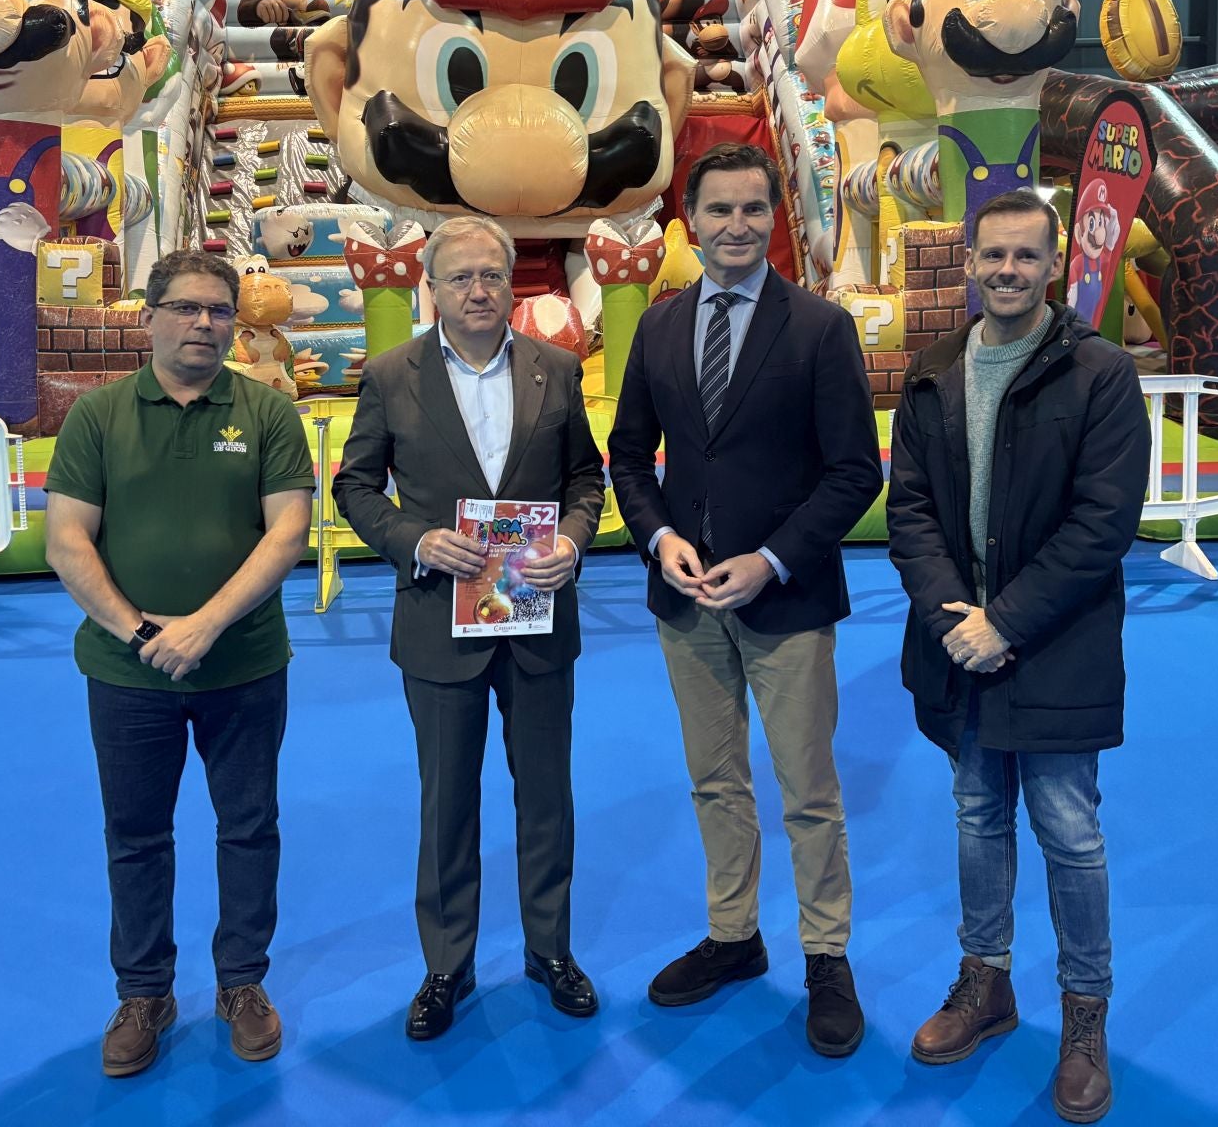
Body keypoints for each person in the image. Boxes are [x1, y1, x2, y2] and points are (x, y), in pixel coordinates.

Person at [608, 141, 883, 1057]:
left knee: (809, 788)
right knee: (714, 779)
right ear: (690, 220)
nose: (736, 226)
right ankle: (735, 935)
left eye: (753, 210)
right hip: (685, 599)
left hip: (783, 599)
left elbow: (854, 474)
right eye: (718, 210)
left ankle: (826, 956)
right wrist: (660, 538)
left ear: (774, 217)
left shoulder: (819, 328)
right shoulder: (657, 327)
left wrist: (772, 559)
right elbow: (626, 459)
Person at [885, 188, 1150, 1124]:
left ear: (1052, 265)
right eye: (990, 256)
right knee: (976, 814)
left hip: (1057, 643)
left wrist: (1008, 622)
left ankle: (1085, 1014)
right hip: (958, 640)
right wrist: (951, 613)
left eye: (1023, 258)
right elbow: (908, 509)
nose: (1005, 272)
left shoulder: (1100, 373)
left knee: (1068, 830)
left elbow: (1103, 524)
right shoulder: (932, 372)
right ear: (968, 261)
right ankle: (985, 981)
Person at [333, 216, 606, 1041]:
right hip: (437, 626)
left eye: (492, 274)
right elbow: (354, 487)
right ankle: (446, 965)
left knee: (547, 797)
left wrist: (571, 539)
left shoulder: (557, 370)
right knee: (446, 801)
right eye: (461, 278)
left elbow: (585, 481)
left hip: (537, 619)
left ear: (510, 279)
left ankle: (549, 950)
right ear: (433, 286)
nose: (480, 290)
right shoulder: (389, 376)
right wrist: (412, 541)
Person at [44, 249, 314, 1077]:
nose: (205, 323)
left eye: (219, 311)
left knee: (249, 828)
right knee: (135, 836)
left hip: (246, 666)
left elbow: (287, 534)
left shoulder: (268, 413)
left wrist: (202, 625)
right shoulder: (98, 417)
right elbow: (66, 541)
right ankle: (144, 992)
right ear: (151, 316)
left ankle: (241, 983)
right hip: (127, 677)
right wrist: (138, 633)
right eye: (188, 308)